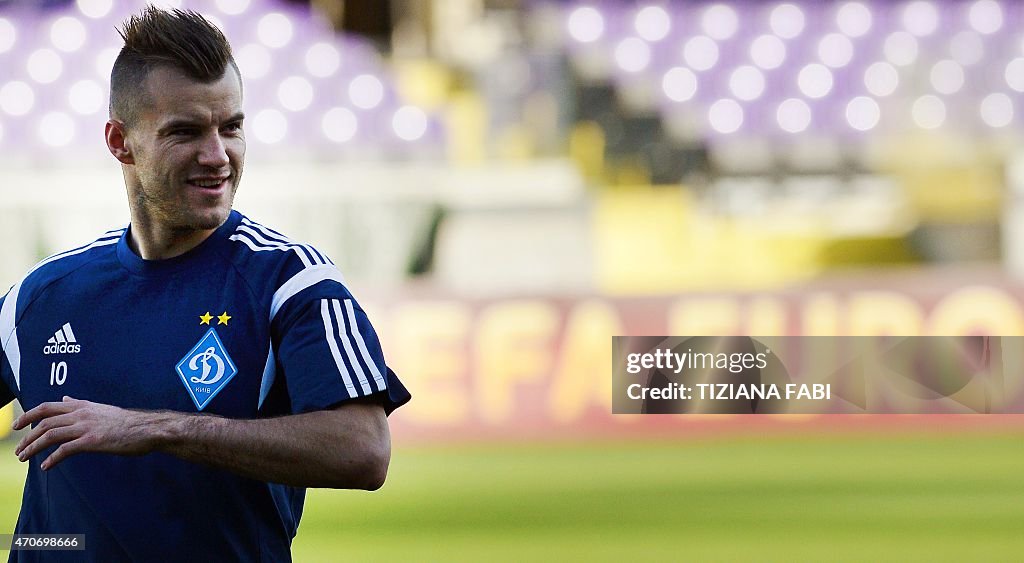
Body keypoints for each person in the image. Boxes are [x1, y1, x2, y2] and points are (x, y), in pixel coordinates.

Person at [0, 7, 410, 561]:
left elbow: (365, 452)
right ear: (121, 142)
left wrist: (160, 430)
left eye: (232, 127)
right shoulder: (42, 295)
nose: (218, 156)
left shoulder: (290, 281)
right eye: (186, 132)